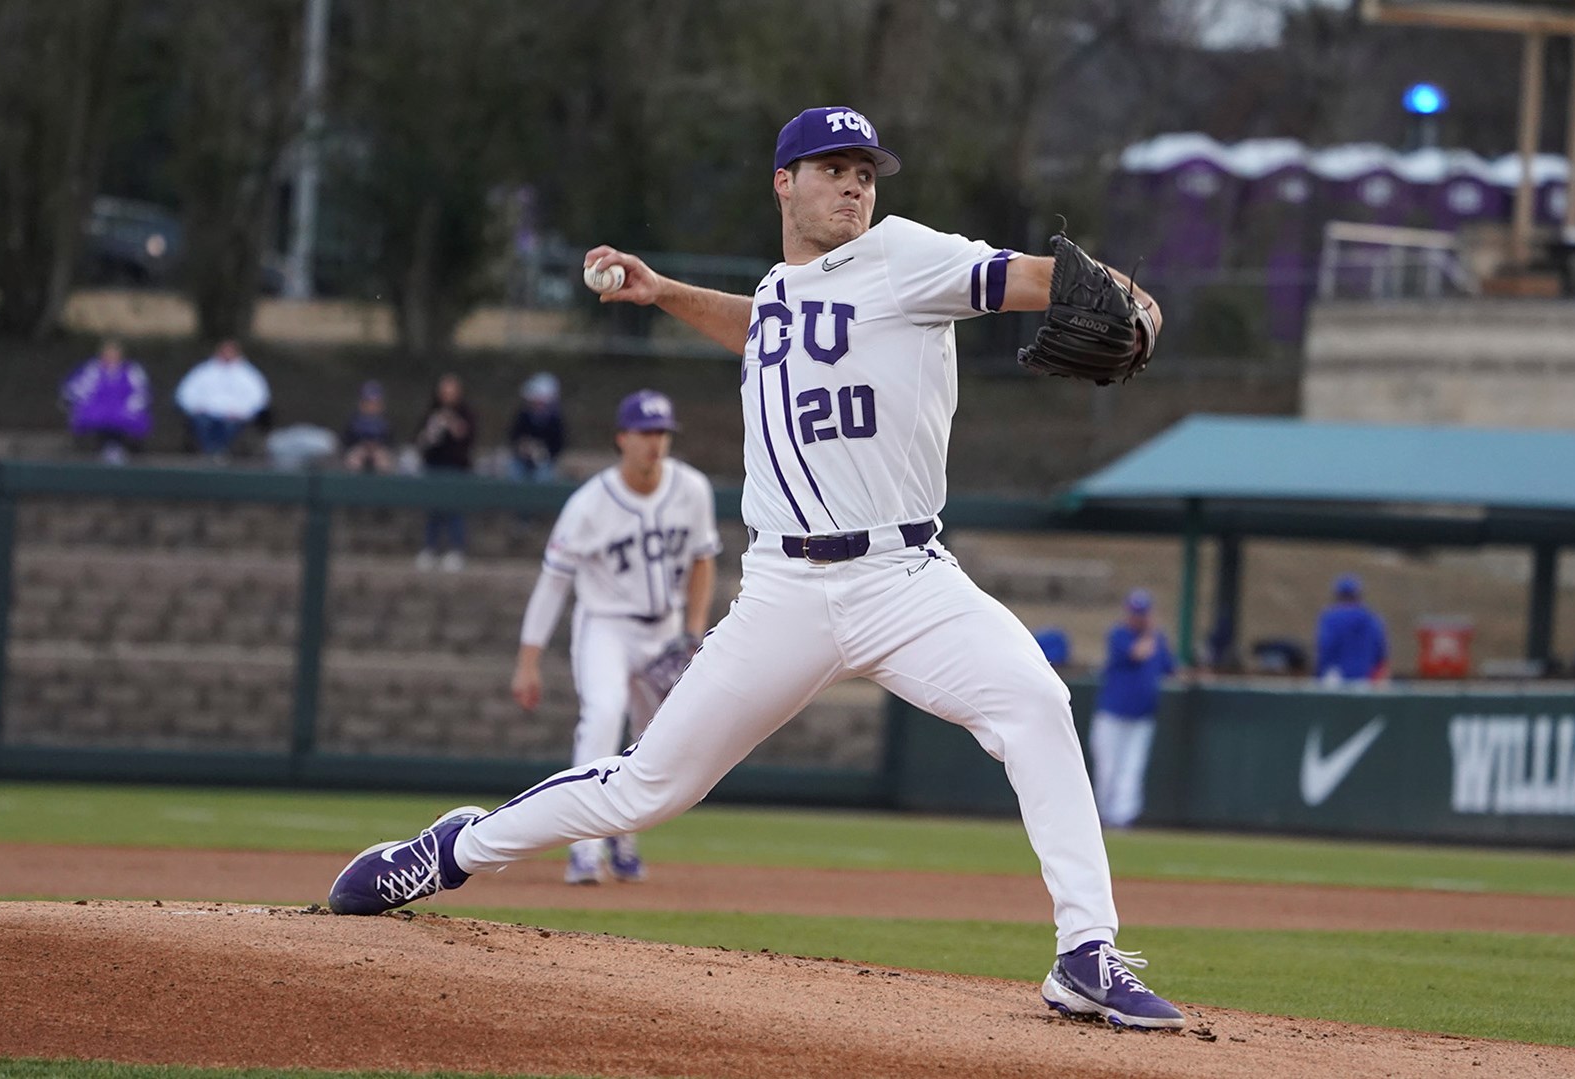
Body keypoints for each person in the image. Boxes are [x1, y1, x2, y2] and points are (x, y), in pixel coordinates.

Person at [328, 105, 1185, 1030]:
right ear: (784, 182)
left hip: (908, 579)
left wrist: (1133, 299)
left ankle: (1086, 951)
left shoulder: (906, 255)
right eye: (833, 167)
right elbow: (769, 327)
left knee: (1038, 705)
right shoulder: (783, 289)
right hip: (784, 591)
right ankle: (454, 849)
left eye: (865, 169)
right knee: (649, 786)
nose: (856, 183)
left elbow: (1028, 278)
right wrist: (662, 293)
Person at [510, 389, 720, 885]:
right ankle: (584, 849)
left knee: (653, 743)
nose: (655, 442)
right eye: (646, 433)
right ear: (621, 438)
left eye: (663, 433)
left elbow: (703, 560)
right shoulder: (589, 504)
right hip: (605, 625)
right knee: (603, 717)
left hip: (664, 629)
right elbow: (554, 582)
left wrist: (692, 631)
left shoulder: (691, 488)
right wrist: (528, 659)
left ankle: (622, 837)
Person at [1089, 589, 1176, 830]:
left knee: (1132, 768)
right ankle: (1101, 817)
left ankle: (1122, 818)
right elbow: (1138, 654)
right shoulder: (1119, 635)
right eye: (1136, 613)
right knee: (1107, 768)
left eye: (1143, 613)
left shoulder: (1158, 640)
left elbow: (1171, 668)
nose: (1138, 617)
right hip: (1112, 713)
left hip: (1142, 716)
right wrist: (1151, 632)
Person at [414, 374, 476, 571]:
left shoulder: (466, 413)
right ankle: (430, 549)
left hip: (456, 469)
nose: (447, 396)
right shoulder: (431, 412)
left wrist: (453, 424)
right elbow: (420, 441)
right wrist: (433, 429)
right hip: (433, 467)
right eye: (444, 393)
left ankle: (456, 551)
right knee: (433, 510)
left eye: (452, 393)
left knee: (454, 510)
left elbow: (467, 439)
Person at [174, 338, 270, 460]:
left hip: (235, 415)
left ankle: (220, 454)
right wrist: (194, 407)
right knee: (202, 423)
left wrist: (242, 412)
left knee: (229, 426)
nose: (226, 354)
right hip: (205, 413)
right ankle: (209, 454)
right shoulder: (203, 371)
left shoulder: (249, 375)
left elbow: (259, 398)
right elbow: (185, 393)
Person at [60, 338, 151, 464]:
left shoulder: (132, 370)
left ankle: (116, 447)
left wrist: (131, 406)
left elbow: (141, 392)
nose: (111, 357)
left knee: (124, 418)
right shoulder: (92, 369)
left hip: (123, 408)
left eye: (114, 354)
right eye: (108, 354)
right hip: (96, 407)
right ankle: (103, 448)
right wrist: (79, 402)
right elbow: (77, 389)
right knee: (97, 416)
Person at [1314, 574, 1389, 684]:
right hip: (1366, 680)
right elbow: (1381, 653)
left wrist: (1320, 673)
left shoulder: (1330, 618)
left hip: (1335, 679)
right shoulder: (1372, 618)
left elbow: (1325, 647)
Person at [507, 372, 567, 483]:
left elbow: (558, 445)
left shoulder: (555, 420)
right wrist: (523, 447)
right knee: (513, 470)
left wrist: (542, 452)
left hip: (545, 463)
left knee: (543, 474)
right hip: (521, 461)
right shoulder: (524, 415)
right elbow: (514, 437)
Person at [342, 380, 396, 474]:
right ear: (361, 403)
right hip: (358, 450)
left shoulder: (385, 423)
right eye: (368, 402)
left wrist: (376, 447)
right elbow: (346, 442)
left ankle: (382, 487)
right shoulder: (353, 421)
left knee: (383, 462)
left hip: (379, 451)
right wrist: (363, 446)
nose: (371, 406)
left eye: (375, 403)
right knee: (354, 461)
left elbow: (390, 442)